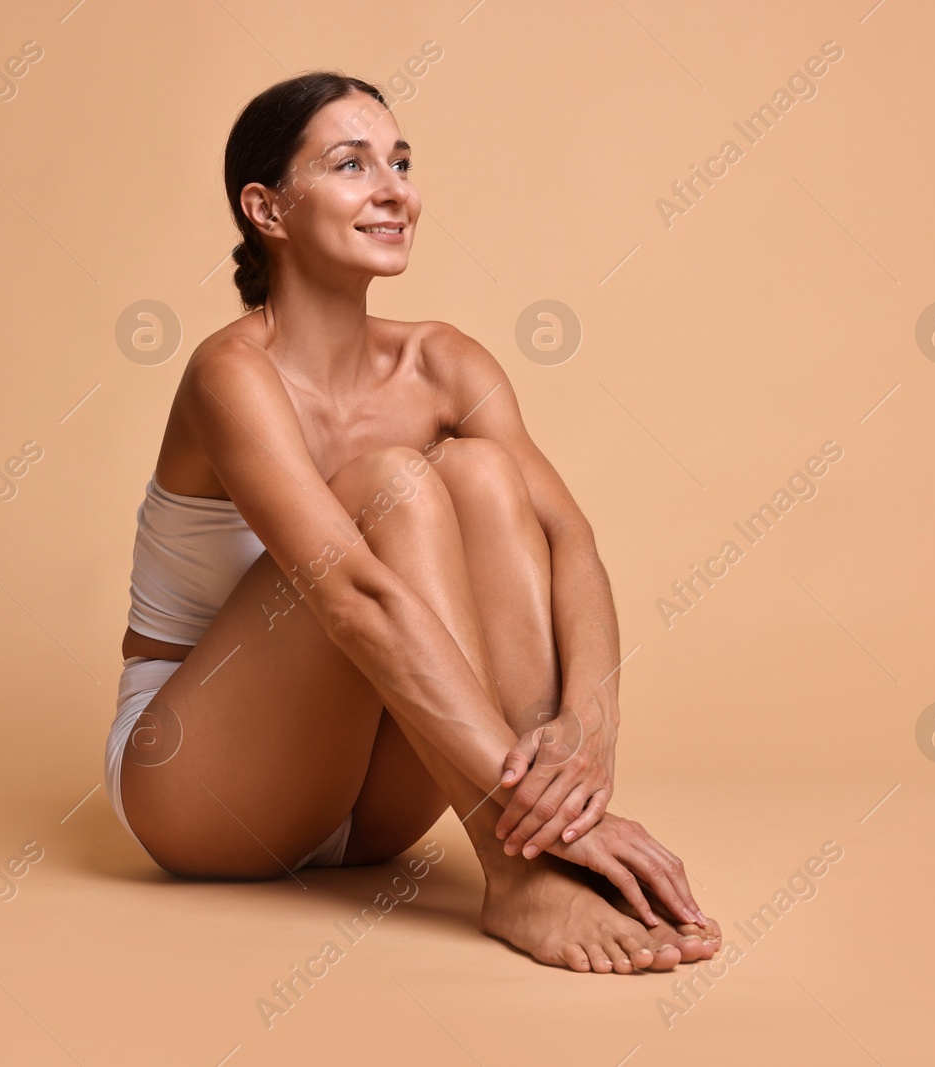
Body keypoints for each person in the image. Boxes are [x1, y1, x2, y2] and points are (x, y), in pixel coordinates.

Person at [105, 71, 720, 973]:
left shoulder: (442, 361)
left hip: (377, 804)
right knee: (390, 482)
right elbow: (355, 598)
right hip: (202, 785)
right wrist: (527, 800)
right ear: (267, 208)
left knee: (476, 469)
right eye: (352, 165)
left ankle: (544, 831)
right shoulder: (230, 375)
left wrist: (585, 736)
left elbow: (569, 542)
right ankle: (517, 871)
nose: (396, 190)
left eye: (400, 161)